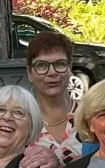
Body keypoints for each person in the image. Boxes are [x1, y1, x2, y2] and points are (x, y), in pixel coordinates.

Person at [28, 31, 83, 160]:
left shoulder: (90, 116)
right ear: (29, 73)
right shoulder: (21, 122)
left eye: (60, 64)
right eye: (42, 66)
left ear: (70, 68)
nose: (52, 72)